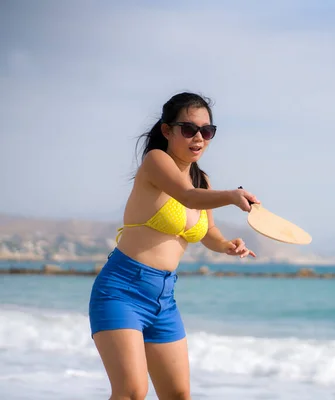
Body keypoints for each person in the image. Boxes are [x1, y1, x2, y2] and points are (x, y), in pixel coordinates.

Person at [88, 91, 259, 400]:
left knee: (178, 394)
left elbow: (210, 233)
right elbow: (187, 197)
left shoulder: (202, 180)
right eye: (189, 129)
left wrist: (227, 246)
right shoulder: (156, 161)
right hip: (122, 290)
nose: (199, 138)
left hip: (164, 299)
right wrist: (232, 196)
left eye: (207, 131)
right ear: (167, 130)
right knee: (131, 392)